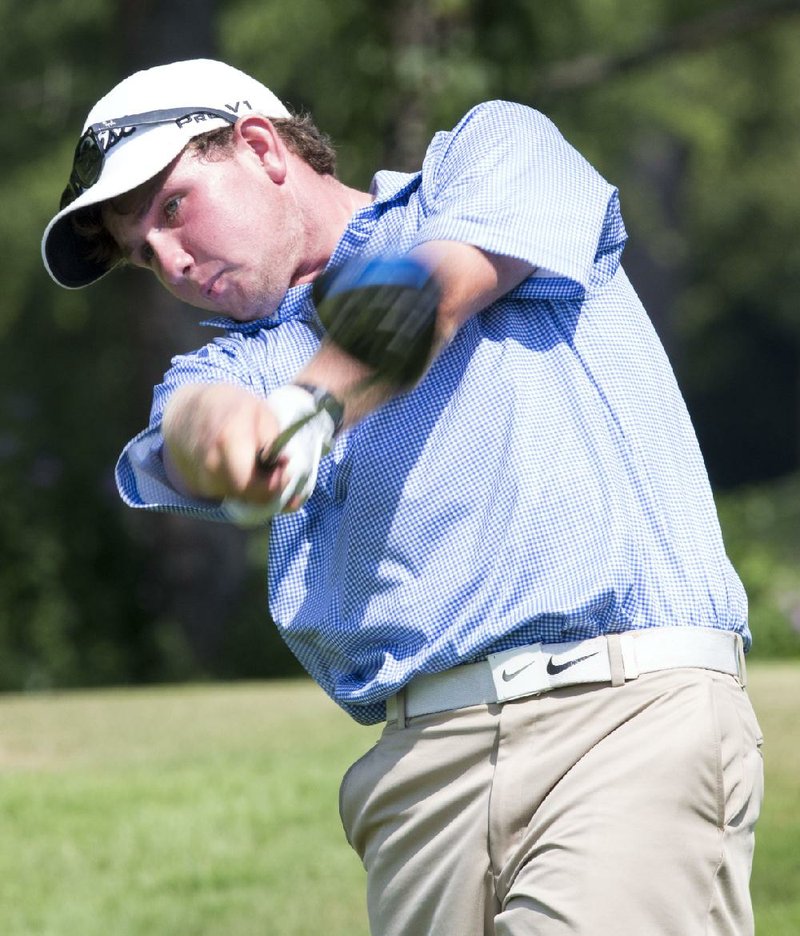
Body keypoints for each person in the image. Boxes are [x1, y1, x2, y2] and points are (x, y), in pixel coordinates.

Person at [42, 58, 763, 936]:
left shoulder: (491, 155)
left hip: (623, 719)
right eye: (140, 253)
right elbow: (191, 420)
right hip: (418, 779)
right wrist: (222, 434)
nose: (170, 260)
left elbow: (438, 288)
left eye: (172, 208)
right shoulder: (233, 358)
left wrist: (303, 413)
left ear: (262, 147)